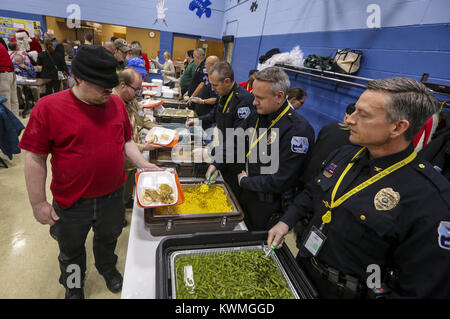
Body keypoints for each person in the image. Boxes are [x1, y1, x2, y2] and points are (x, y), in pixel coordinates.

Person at [267, 77, 450, 299]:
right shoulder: (345, 154)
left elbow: (421, 289)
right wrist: (286, 221)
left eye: (362, 115)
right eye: (354, 111)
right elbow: (312, 192)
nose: (350, 120)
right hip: (303, 269)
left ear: (398, 127)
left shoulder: (429, 197)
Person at [19, 45, 161, 299]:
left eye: (112, 86)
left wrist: (143, 163)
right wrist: (38, 202)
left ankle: (107, 268)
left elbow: (126, 141)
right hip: (72, 201)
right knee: (71, 248)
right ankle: (74, 283)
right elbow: (35, 157)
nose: (110, 92)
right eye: (102, 88)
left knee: (108, 238)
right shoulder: (48, 108)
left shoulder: (116, 103)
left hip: (112, 196)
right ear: (79, 78)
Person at [236, 67, 315, 230]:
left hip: (267, 205)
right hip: (247, 192)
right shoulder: (258, 114)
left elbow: (282, 179)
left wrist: (246, 181)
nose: (253, 102)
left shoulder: (298, 131)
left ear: (279, 96)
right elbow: (236, 138)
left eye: (259, 97)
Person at [186, 61, 255, 201]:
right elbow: (214, 115)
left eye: (215, 85)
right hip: (223, 148)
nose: (212, 88)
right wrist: (198, 121)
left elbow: (237, 137)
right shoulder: (223, 94)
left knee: (230, 194)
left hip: (236, 156)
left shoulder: (244, 100)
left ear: (227, 81)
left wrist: (212, 156)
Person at [112, 67, 159, 212]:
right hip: (120, 157)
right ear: (122, 85)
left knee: (130, 179)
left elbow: (141, 118)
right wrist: (144, 147)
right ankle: (118, 210)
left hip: (133, 154)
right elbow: (118, 141)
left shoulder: (131, 99)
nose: (138, 94)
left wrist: (157, 128)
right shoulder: (112, 104)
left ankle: (126, 201)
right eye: (136, 89)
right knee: (118, 187)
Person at [299, 103, 356, 187]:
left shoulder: (329, 128)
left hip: (309, 176)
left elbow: (315, 151)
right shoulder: (357, 142)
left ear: (346, 116)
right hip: (327, 184)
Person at [0, 40, 19, 116]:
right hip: (10, 73)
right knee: (13, 100)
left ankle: (8, 126)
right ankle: (16, 123)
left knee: (5, 101)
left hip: (3, 74)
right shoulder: (1, 45)